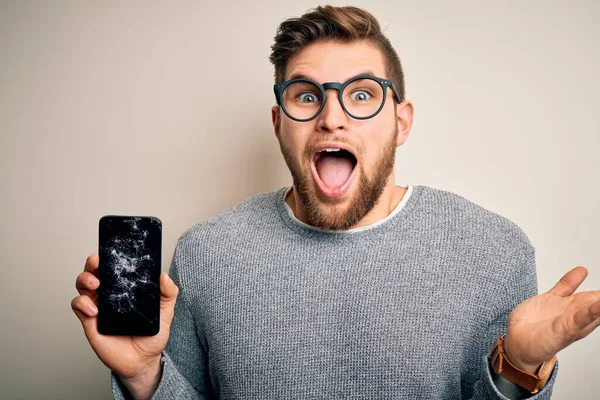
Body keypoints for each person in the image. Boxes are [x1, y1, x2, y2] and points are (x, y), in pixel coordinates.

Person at [72, 5, 600, 399]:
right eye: (306, 95)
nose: (332, 118)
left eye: (362, 94)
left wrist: (519, 366)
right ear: (279, 124)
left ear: (402, 121)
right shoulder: (209, 252)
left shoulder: (493, 249)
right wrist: (142, 375)